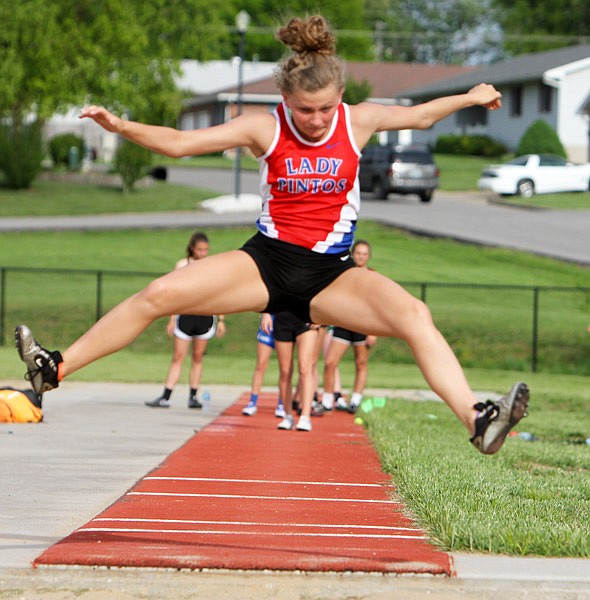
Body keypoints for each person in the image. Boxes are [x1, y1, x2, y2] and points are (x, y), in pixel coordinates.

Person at [14, 15, 528, 455]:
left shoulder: (357, 122)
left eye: (326, 108)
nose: (316, 119)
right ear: (285, 98)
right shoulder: (265, 127)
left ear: (340, 97)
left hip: (331, 274)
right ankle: (53, 369)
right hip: (266, 263)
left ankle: (478, 420)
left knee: (416, 315)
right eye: (305, 110)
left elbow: (419, 114)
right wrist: (122, 126)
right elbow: (180, 144)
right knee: (160, 294)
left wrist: (470, 95)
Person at [145, 231, 226, 408]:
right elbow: (173, 293)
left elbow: (217, 293)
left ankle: (193, 396)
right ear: (192, 248)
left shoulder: (211, 265)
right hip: (185, 316)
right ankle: (166, 395)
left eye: (206, 250)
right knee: (178, 356)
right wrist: (171, 318)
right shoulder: (183, 265)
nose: (203, 253)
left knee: (197, 357)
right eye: (200, 250)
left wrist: (221, 319)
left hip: (205, 317)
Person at [321, 240, 376, 413]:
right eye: (358, 253)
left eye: (364, 253)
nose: (361, 256)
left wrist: (373, 331)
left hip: (363, 325)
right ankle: (328, 398)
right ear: (353, 254)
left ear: (368, 256)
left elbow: (376, 305)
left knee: (361, 362)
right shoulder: (345, 273)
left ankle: (356, 399)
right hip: (344, 323)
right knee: (330, 362)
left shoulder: (373, 276)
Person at [272, 312, 319, 431]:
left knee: (304, 368)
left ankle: (305, 416)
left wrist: (319, 316)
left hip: (306, 320)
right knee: (285, 371)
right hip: (282, 319)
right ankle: (288, 415)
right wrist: (266, 314)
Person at [241, 313, 286, 418]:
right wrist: (265, 313)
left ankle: (282, 403)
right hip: (271, 320)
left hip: (286, 322)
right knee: (261, 364)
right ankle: (252, 402)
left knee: (284, 368)